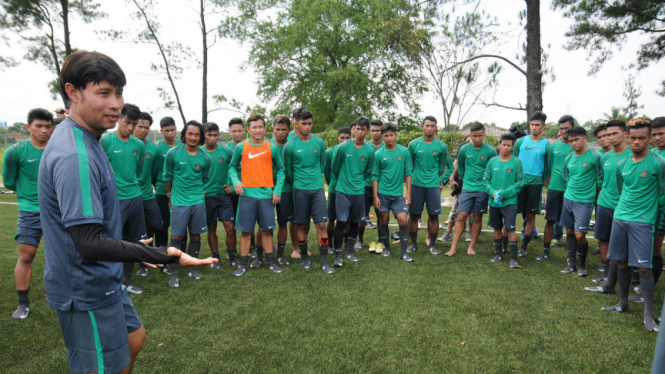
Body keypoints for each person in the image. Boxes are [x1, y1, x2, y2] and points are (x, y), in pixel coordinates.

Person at [39, 50, 215, 374]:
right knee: (103, 367)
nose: (115, 104)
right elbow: (88, 242)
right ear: (73, 92)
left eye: (118, 93)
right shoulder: (74, 154)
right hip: (85, 286)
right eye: (103, 93)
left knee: (134, 338)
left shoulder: (91, 139)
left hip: (103, 277)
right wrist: (165, 254)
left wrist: (134, 252)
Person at [602, 117, 665, 332]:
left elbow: (662, 194)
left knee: (644, 267)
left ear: (649, 139)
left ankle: (649, 316)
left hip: (643, 223)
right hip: (620, 219)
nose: (637, 142)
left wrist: (652, 218)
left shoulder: (658, 163)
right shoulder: (622, 165)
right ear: (627, 138)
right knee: (620, 262)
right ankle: (622, 304)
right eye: (633, 138)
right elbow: (622, 192)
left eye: (642, 138)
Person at [3, 108, 54, 319]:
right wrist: (29, 196)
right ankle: (22, 303)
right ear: (28, 127)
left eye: (48, 126)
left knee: (67, 255)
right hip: (30, 210)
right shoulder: (15, 151)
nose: (44, 130)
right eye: (38, 126)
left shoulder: (57, 149)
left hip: (57, 211)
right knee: (26, 256)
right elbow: (9, 181)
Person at [229, 114, 285, 276]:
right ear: (248, 129)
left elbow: (281, 170)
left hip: (266, 195)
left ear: (265, 129)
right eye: (254, 127)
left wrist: (277, 190)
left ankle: (270, 263)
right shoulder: (241, 147)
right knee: (246, 232)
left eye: (260, 127)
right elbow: (232, 167)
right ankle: (243, 265)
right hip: (247, 196)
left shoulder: (272, 148)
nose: (258, 130)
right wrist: (236, 182)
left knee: (266, 231)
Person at [101, 103, 147, 294]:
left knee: (134, 243)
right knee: (113, 243)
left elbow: (137, 169)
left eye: (134, 124)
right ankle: (111, 283)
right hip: (114, 200)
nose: (130, 128)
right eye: (127, 122)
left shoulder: (138, 144)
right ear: (118, 119)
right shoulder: (105, 140)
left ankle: (127, 283)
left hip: (135, 197)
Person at [283, 107, 333, 272]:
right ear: (296, 123)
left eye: (310, 123)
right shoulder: (289, 146)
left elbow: (323, 165)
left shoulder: (319, 142)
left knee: (321, 226)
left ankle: (324, 261)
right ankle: (305, 258)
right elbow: (288, 172)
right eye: (303, 123)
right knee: (301, 226)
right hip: (299, 191)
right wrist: (300, 182)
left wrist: (315, 180)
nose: (307, 127)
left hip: (317, 190)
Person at [163, 120, 212, 287]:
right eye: (190, 133)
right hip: (179, 202)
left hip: (198, 201)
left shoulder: (205, 157)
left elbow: (204, 178)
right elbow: (167, 177)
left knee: (196, 235)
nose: (193, 137)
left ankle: (191, 268)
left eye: (197, 134)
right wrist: (170, 196)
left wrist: (198, 193)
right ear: (184, 134)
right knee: (176, 237)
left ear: (201, 137)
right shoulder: (173, 153)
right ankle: (173, 272)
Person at [584, 120, 631, 292]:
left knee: (622, 243)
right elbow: (602, 180)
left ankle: (630, 277)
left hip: (624, 207)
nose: (610, 138)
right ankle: (606, 271)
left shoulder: (632, 156)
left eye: (613, 134)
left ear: (625, 134)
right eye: (607, 134)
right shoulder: (606, 157)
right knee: (603, 238)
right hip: (604, 203)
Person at [446, 122, 496, 256]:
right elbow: (461, 167)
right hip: (467, 188)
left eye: (480, 136)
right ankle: (453, 248)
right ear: (470, 135)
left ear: (484, 135)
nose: (477, 138)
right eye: (474, 136)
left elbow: (493, 169)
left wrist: (487, 183)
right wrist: (465, 179)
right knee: (461, 216)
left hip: (482, 189)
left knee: (477, 217)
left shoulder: (490, 151)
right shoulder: (464, 150)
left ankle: (471, 247)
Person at [559, 126, 603, 276]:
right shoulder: (568, 159)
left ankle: (582, 266)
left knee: (580, 234)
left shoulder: (595, 157)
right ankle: (571, 264)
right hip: (568, 198)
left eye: (576, 139)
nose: (573, 143)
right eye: (571, 141)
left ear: (585, 139)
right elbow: (567, 179)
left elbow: (599, 181)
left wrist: (595, 199)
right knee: (569, 231)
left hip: (585, 201)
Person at [406, 116, 453, 255]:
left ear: (436, 128)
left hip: (433, 186)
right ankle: (413, 244)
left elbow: (449, 167)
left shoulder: (441, 146)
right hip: (416, 185)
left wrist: (441, 180)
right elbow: (409, 166)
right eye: (427, 125)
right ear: (422, 127)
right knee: (414, 216)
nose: (430, 128)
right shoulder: (413, 145)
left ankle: (432, 245)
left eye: (433, 126)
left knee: (434, 216)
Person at [331, 116, 375, 266]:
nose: (360, 132)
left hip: (359, 192)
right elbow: (335, 168)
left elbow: (368, 172)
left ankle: (349, 252)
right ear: (353, 129)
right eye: (357, 128)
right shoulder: (343, 147)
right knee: (341, 222)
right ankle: (338, 255)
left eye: (363, 129)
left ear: (367, 131)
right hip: (343, 191)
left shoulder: (369, 152)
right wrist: (345, 180)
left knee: (356, 222)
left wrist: (357, 182)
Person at [372, 122, 413, 261]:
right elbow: (375, 176)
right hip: (382, 193)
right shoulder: (378, 154)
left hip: (397, 194)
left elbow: (408, 172)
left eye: (391, 135)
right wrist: (375, 195)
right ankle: (387, 248)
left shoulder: (404, 151)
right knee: (383, 219)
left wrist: (408, 192)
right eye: (386, 135)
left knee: (402, 219)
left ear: (396, 135)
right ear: (382, 137)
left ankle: (403, 252)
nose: (389, 138)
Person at [132, 112, 167, 277]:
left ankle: (162, 261)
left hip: (147, 195)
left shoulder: (154, 149)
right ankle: (142, 265)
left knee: (159, 226)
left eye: (146, 127)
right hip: (128, 196)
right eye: (140, 126)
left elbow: (154, 174)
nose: (143, 130)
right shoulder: (124, 144)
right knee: (137, 231)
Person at [536, 115, 574, 261]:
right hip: (555, 187)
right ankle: (545, 252)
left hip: (572, 190)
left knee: (571, 224)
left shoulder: (577, 146)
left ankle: (571, 256)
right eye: (561, 129)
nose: (564, 131)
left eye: (567, 128)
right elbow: (550, 166)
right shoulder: (554, 147)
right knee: (550, 220)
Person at [484, 134, 524, 268]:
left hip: (509, 202)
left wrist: (504, 194)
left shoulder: (517, 162)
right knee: (497, 228)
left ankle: (513, 259)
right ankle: (498, 254)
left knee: (511, 229)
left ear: (512, 147)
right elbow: (485, 181)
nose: (506, 147)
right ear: (499, 145)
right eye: (503, 144)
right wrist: (493, 193)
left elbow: (520, 183)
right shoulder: (492, 161)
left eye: (509, 145)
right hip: (494, 202)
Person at [513, 111, 550, 257]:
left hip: (535, 184)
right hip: (519, 183)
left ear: (543, 127)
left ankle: (523, 247)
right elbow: (514, 160)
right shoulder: (520, 142)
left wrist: (539, 179)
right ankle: (504, 244)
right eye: (532, 125)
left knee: (531, 216)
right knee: (511, 212)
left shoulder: (547, 145)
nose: (534, 128)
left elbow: (548, 166)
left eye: (537, 125)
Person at [201, 122, 237, 269]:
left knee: (230, 227)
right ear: (204, 135)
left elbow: (235, 168)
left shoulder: (227, 151)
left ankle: (232, 256)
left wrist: (232, 185)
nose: (213, 138)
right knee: (212, 227)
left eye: (215, 135)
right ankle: (216, 258)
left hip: (224, 195)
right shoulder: (199, 152)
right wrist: (199, 189)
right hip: (207, 196)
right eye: (209, 135)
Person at [227, 117, 258, 259]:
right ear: (229, 132)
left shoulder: (250, 146)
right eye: (234, 131)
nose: (237, 134)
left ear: (244, 131)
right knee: (233, 223)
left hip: (249, 190)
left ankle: (251, 247)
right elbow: (227, 169)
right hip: (232, 191)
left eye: (240, 131)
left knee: (250, 221)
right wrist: (231, 185)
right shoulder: (226, 149)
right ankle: (233, 251)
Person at [155, 116, 183, 272]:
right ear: (161, 131)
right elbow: (154, 170)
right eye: (167, 130)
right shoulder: (157, 148)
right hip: (161, 191)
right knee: (163, 226)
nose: (170, 133)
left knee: (179, 226)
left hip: (179, 193)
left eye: (172, 130)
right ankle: (163, 259)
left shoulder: (182, 147)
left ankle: (180, 257)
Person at [269, 115, 297, 266]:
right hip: (267, 190)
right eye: (277, 129)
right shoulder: (267, 146)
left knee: (283, 223)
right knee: (265, 225)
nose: (280, 132)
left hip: (287, 190)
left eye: (283, 129)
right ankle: (263, 253)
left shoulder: (292, 146)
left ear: (289, 130)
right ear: (273, 129)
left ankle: (280, 254)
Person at [356, 119, 384, 251]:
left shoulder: (387, 146)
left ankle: (380, 239)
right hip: (365, 186)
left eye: (377, 130)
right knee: (362, 215)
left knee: (381, 215)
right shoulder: (364, 146)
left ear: (381, 131)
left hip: (382, 187)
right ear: (369, 131)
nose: (375, 133)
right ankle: (360, 240)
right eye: (372, 130)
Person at [439, 135, 473, 243]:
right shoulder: (462, 149)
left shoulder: (480, 151)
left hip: (473, 186)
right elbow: (455, 164)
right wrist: (452, 179)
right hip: (461, 186)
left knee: (472, 212)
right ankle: (448, 232)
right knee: (454, 211)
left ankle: (469, 232)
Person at [324, 126, 351, 253]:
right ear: (337, 137)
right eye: (342, 137)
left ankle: (345, 243)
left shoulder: (353, 150)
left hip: (348, 190)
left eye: (347, 137)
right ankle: (328, 244)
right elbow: (327, 172)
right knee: (331, 218)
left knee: (346, 219)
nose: (344, 140)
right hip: (335, 189)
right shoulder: (329, 152)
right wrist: (331, 184)